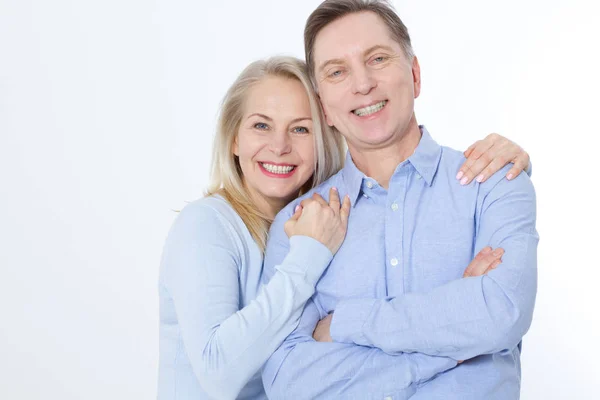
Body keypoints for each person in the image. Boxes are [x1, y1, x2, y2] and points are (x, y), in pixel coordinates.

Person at [157, 59, 531, 400]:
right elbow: (225, 375)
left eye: (300, 129)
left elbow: (499, 314)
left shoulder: (325, 216)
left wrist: (507, 167)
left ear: (324, 134)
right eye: (261, 125)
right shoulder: (207, 225)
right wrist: (456, 346)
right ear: (234, 138)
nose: (280, 146)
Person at [261, 1, 538, 399]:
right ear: (323, 107)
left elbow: (501, 313)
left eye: (377, 59)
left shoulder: (495, 181)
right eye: (337, 72)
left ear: (414, 74)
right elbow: (288, 378)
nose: (362, 84)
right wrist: (452, 346)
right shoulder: (298, 223)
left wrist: (344, 323)